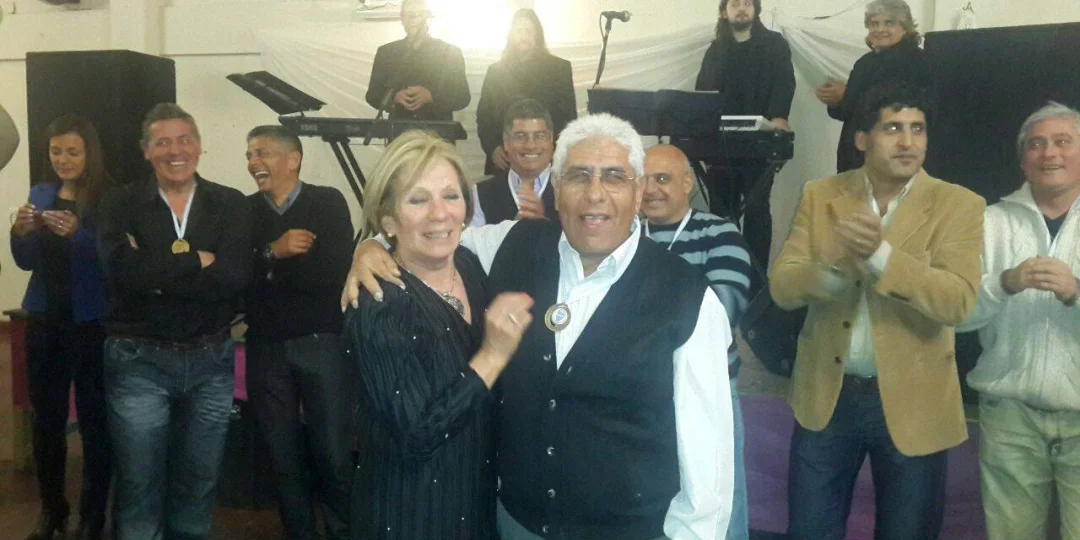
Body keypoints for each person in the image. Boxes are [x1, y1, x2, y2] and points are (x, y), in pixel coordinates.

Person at [345, 114, 735, 539]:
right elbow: (431, 235)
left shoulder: (688, 297)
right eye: (579, 176)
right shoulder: (513, 244)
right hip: (513, 525)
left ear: (638, 191)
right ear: (557, 189)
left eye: (614, 177)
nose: (595, 194)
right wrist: (370, 249)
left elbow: (707, 454)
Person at [771, 84, 984, 540]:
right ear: (862, 139)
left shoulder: (959, 204)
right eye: (892, 129)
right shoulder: (821, 194)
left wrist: (882, 256)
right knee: (809, 531)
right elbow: (783, 286)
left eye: (917, 129)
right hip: (827, 398)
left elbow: (958, 301)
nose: (907, 142)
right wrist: (835, 272)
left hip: (916, 402)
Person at [345, 130, 533, 540]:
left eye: (451, 196)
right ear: (388, 219)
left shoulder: (468, 264)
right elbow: (418, 433)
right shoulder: (380, 302)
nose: (439, 213)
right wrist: (492, 356)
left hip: (474, 501)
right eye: (418, 200)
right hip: (412, 514)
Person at [97, 103, 252, 539]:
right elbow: (121, 273)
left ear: (199, 146)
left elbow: (235, 276)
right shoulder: (119, 203)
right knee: (139, 482)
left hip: (211, 359)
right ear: (146, 150)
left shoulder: (230, 203)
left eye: (184, 140)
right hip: (138, 360)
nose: (175, 151)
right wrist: (197, 261)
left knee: (199, 483)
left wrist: (155, 274)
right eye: (162, 142)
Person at [957, 102, 1080, 540]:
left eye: (1063, 142)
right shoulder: (988, 221)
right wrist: (1003, 283)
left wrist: (1076, 292)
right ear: (1023, 162)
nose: (1050, 153)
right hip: (1009, 419)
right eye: (1036, 144)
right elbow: (956, 315)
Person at [244, 125, 354, 540]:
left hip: (322, 343)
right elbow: (236, 278)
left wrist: (265, 269)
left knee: (334, 454)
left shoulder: (327, 202)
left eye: (263, 153)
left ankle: (344, 533)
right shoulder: (243, 211)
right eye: (249, 154)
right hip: (266, 348)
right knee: (282, 458)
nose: (254, 162)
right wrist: (276, 250)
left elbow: (333, 272)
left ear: (294, 159)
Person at [11, 114, 115, 540]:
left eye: (73, 151)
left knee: (95, 425)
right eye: (56, 151)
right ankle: (52, 510)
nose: (63, 159)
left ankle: (92, 515)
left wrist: (79, 236)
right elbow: (26, 262)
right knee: (46, 423)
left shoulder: (109, 197)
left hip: (90, 325)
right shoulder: (41, 192)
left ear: (90, 153)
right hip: (44, 322)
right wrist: (20, 232)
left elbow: (114, 261)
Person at [642, 144, 753, 540]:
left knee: (719, 497)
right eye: (643, 179)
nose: (650, 189)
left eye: (662, 178)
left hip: (708, 390)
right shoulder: (625, 236)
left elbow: (720, 314)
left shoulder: (720, 233)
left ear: (688, 182)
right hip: (642, 392)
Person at [694, 0, 795, 283]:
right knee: (720, 211)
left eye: (747, 3)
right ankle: (723, 275)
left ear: (756, 9)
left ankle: (757, 282)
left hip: (760, 140)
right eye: (735, 4)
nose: (741, 8)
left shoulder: (774, 45)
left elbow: (785, 82)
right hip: (721, 143)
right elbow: (703, 91)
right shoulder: (715, 50)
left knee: (756, 208)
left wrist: (779, 117)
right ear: (724, 12)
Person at [814, 0, 930, 173]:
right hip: (854, 158)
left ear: (905, 27)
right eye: (874, 23)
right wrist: (835, 100)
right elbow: (846, 112)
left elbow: (898, 106)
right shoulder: (865, 63)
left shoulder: (918, 61)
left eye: (889, 23)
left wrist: (847, 94)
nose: (880, 29)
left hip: (894, 158)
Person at [476, 8, 576, 174]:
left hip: (547, 160)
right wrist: (493, 148)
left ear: (538, 35)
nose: (524, 36)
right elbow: (484, 117)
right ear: (511, 35)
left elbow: (568, 117)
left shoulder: (559, 69)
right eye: (519, 30)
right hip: (505, 160)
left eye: (529, 31)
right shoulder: (495, 72)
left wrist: (555, 151)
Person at [365, 0, 470, 122]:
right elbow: (372, 96)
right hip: (398, 129)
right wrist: (395, 97)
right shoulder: (386, 52)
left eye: (418, 14)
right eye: (409, 15)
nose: (413, 20)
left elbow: (462, 97)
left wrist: (431, 96)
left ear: (427, 17)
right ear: (402, 19)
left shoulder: (450, 52)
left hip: (437, 130)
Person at [471, 99, 558, 226]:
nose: (530, 145)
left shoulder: (571, 189)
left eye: (539, 136)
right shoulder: (480, 194)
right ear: (506, 142)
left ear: (551, 140)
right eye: (521, 136)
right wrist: (513, 230)